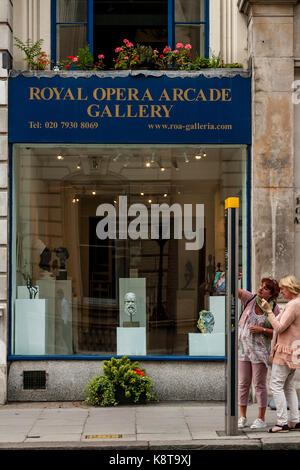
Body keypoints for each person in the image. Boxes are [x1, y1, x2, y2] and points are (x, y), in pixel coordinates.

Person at [238, 278, 280, 429]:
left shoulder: (274, 308)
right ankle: (242, 417)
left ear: (271, 294)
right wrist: (234, 278)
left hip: (259, 351)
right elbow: (233, 291)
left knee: (259, 385)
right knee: (243, 383)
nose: (261, 289)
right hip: (243, 348)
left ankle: (260, 418)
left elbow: (278, 330)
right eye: (261, 286)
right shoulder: (250, 299)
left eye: (266, 288)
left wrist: (261, 330)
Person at [261, 275, 300, 433]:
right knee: (289, 386)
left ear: (290, 288)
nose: (282, 292)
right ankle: (294, 420)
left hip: (285, 350)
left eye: (283, 289)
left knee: (276, 385)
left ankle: (282, 422)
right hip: (293, 351)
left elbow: (279, 327)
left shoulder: (293, 305)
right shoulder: (297, 303)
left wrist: (269, 311)